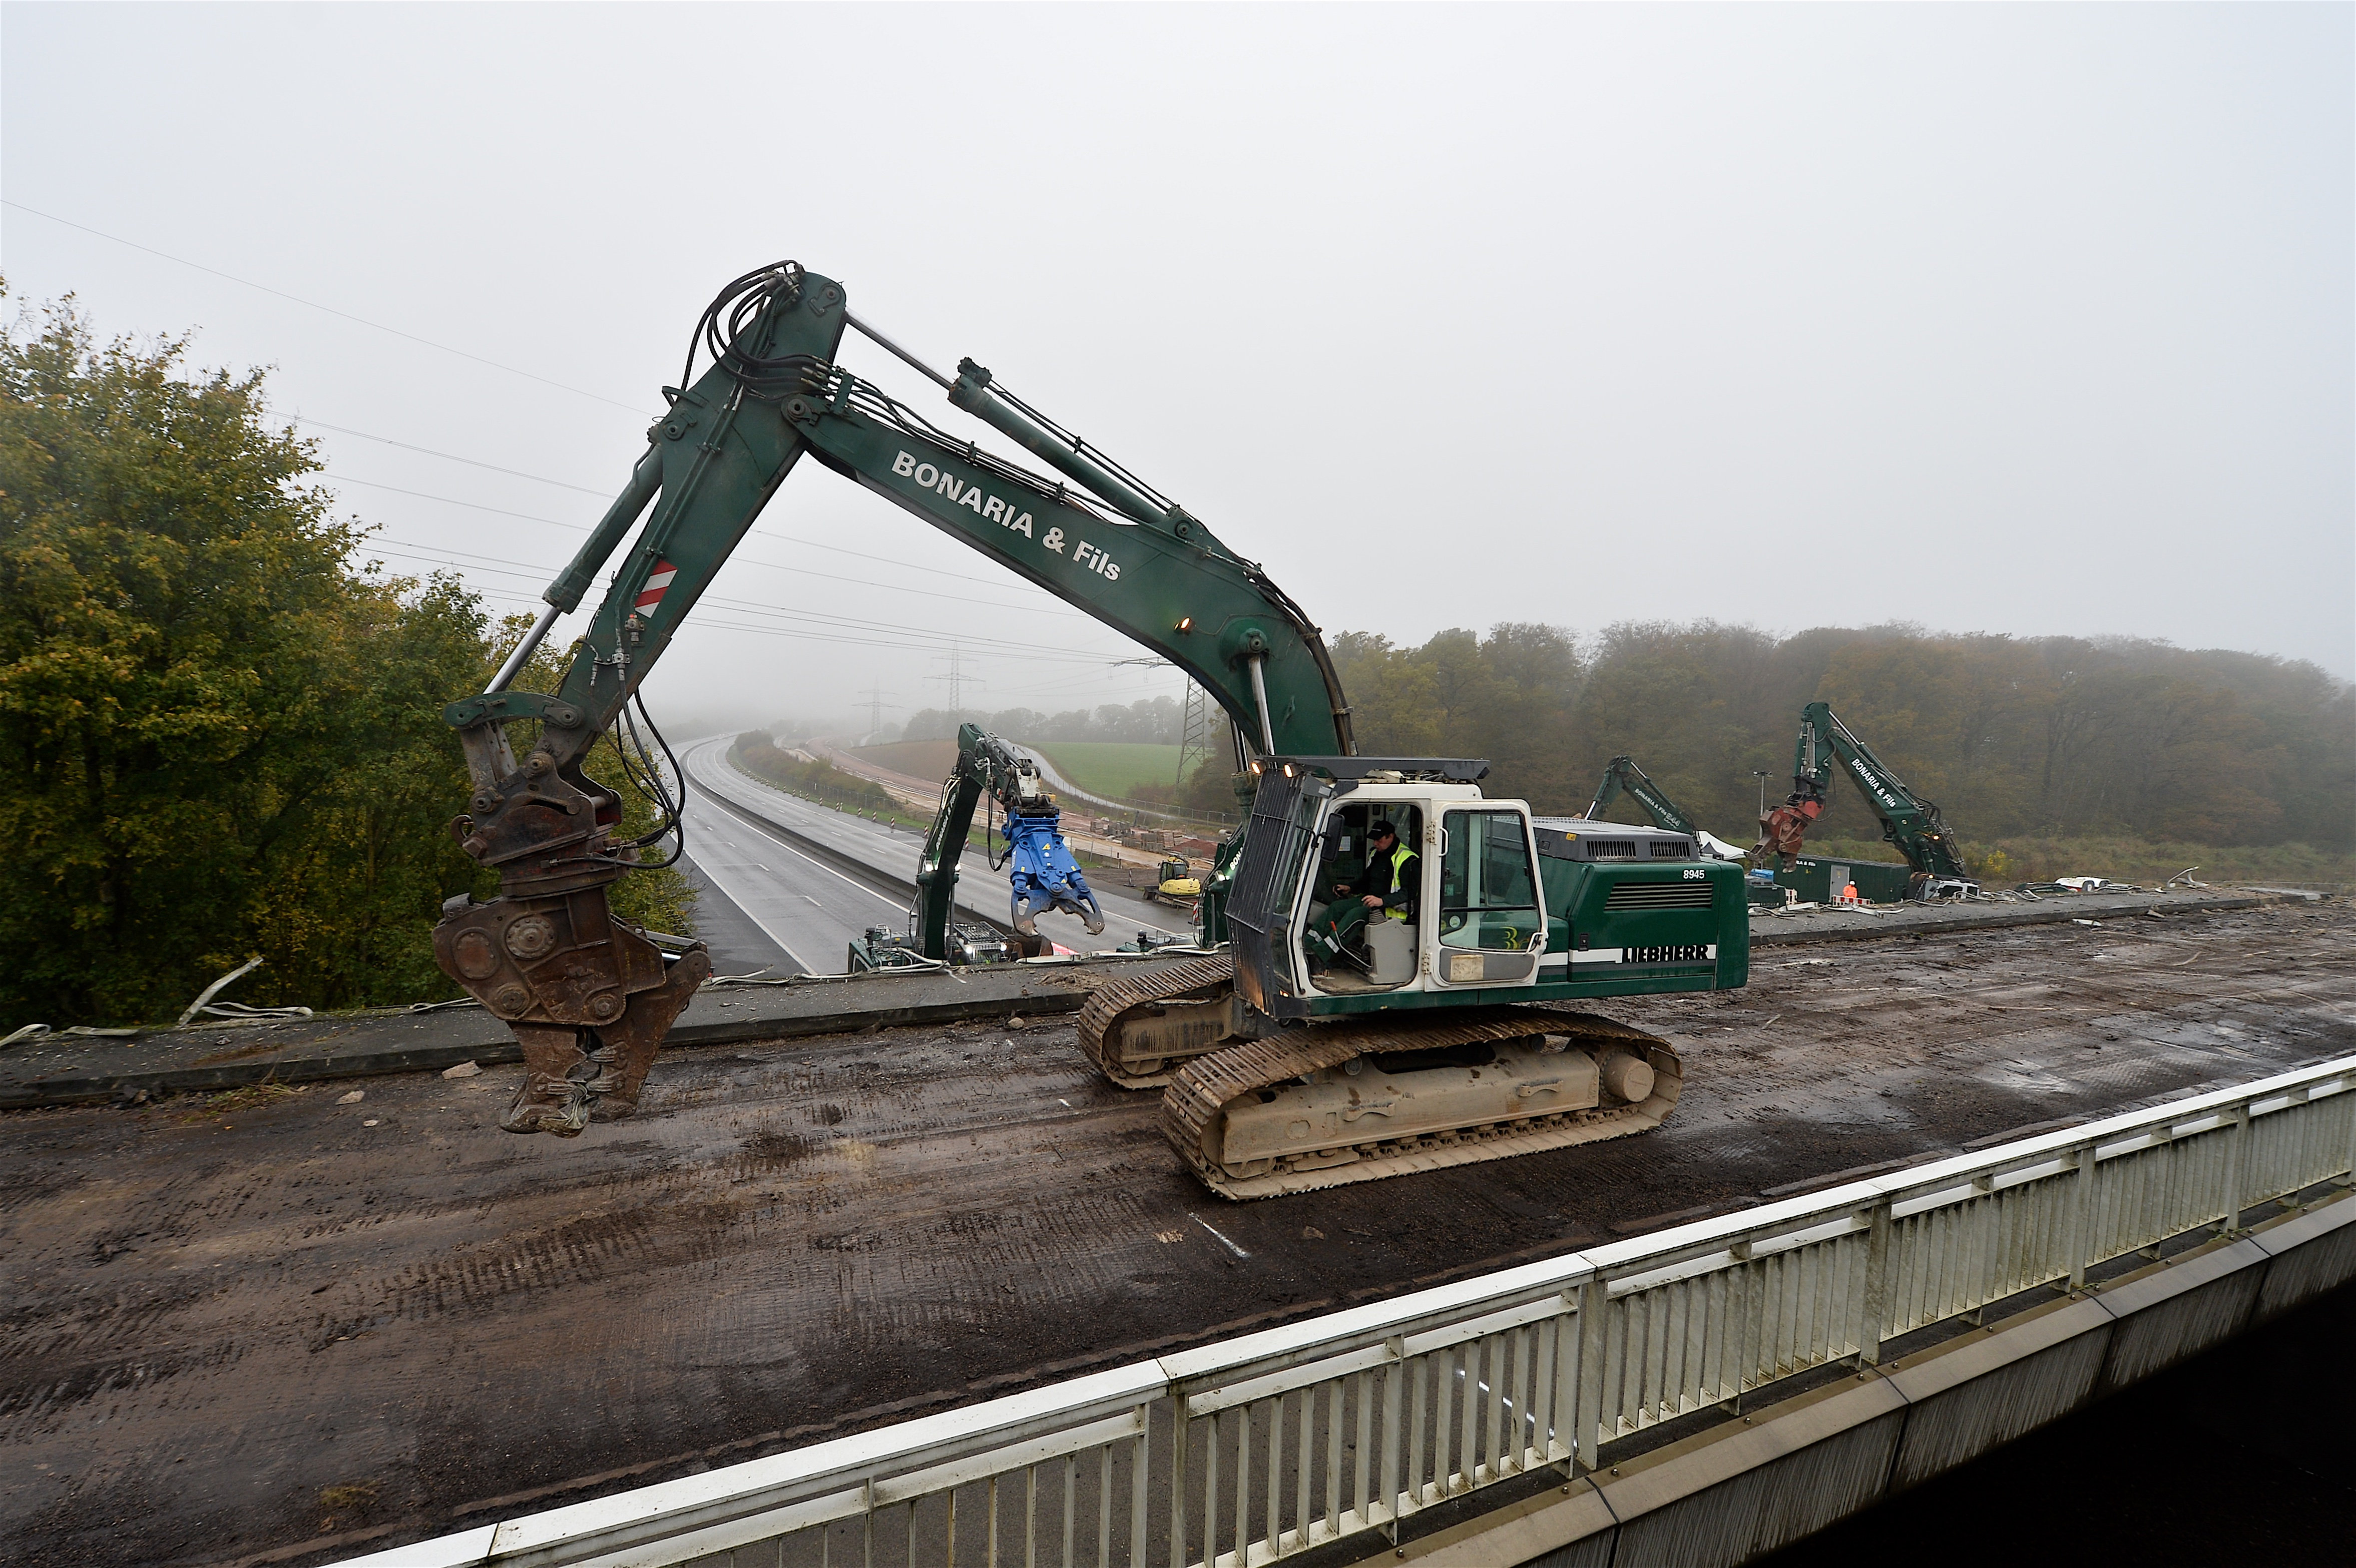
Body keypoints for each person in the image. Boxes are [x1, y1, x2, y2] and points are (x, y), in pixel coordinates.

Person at [1307, 819, 1419, 969]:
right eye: (1374, 840)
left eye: (1379, 840)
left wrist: (1381, 901)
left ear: (1390, 837)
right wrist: (1350, 888)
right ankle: (1307, 945)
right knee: (1336, 907)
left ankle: (1320, 956)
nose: (1375, 844)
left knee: (1355, 915)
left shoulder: (1408, 860)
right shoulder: (1377, 854)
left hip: (1389, 909)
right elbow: (1367, 880)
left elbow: (1409, 893)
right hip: (1370, 900)